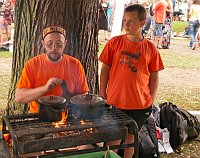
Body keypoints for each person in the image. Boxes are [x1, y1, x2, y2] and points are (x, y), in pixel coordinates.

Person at [99, 4, 164, 158]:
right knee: (113, 139)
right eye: (124, 20)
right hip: (115, 101)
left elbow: (154, 76)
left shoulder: (150, 48)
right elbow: (105, 70)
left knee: (131, 138)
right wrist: (103, 94)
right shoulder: (114, 43)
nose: (126, 25)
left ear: (143, 22)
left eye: (131, 22)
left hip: (139, 104)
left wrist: (151, 99)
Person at [15, 25, 89, 113]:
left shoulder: (75, 64)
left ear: (65, 44)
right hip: (38, 115)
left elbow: (83, 94)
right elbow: (19, 98)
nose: (54, 48)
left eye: (59, 44)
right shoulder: (32, 65)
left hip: (66, 115)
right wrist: (45, 89)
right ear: (43, 44)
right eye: (49, 44)